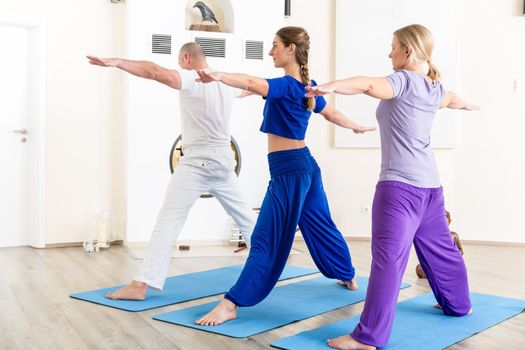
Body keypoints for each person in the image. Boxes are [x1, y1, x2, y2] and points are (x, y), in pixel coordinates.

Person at [306, 24, 478, 349]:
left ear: (407, 51)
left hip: (399, 190)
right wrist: (465, 103)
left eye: (393, 47)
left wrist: (330, 86)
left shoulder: (403, 80)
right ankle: (458, 303)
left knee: (388, 260)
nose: (389, 53)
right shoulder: (432, 86)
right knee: (441, 251)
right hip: (431, 188)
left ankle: (367, 338)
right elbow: (451, 98)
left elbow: (368, 84)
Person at [193, 26, 376, 326]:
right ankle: (348, 274)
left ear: (291, 49)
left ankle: (231, 303)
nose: (270, 51)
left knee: (266, 237)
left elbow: (254, 81)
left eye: (275, 45)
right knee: (321, 225)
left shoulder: (289, 86)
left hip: (290, 172)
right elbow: (330, 114)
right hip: (305, 168)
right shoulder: (307, 86)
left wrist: (218, 74)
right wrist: (354, 126)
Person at [86, 42, 257, 300]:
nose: (179, 67)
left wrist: (117, 62)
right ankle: (268, 270)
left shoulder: (191, 78)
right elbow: (250, 89)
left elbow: (154, 71)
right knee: (246, 218)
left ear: (187, 58)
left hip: (197, 163)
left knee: (168, 221)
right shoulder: (225, 81)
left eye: (180, 62)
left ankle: (140, 285)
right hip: (224, 161)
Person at [416, 210, 464, 279]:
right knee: (419, 268)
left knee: (455, 268)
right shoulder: (434, 236)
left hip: (449, 263)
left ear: (449, 221)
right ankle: (436, 274)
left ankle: (440, 274)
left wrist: (453, 254)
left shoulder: (454, 236)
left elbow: (461, 251)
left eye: (444, 223)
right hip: (437, 263)